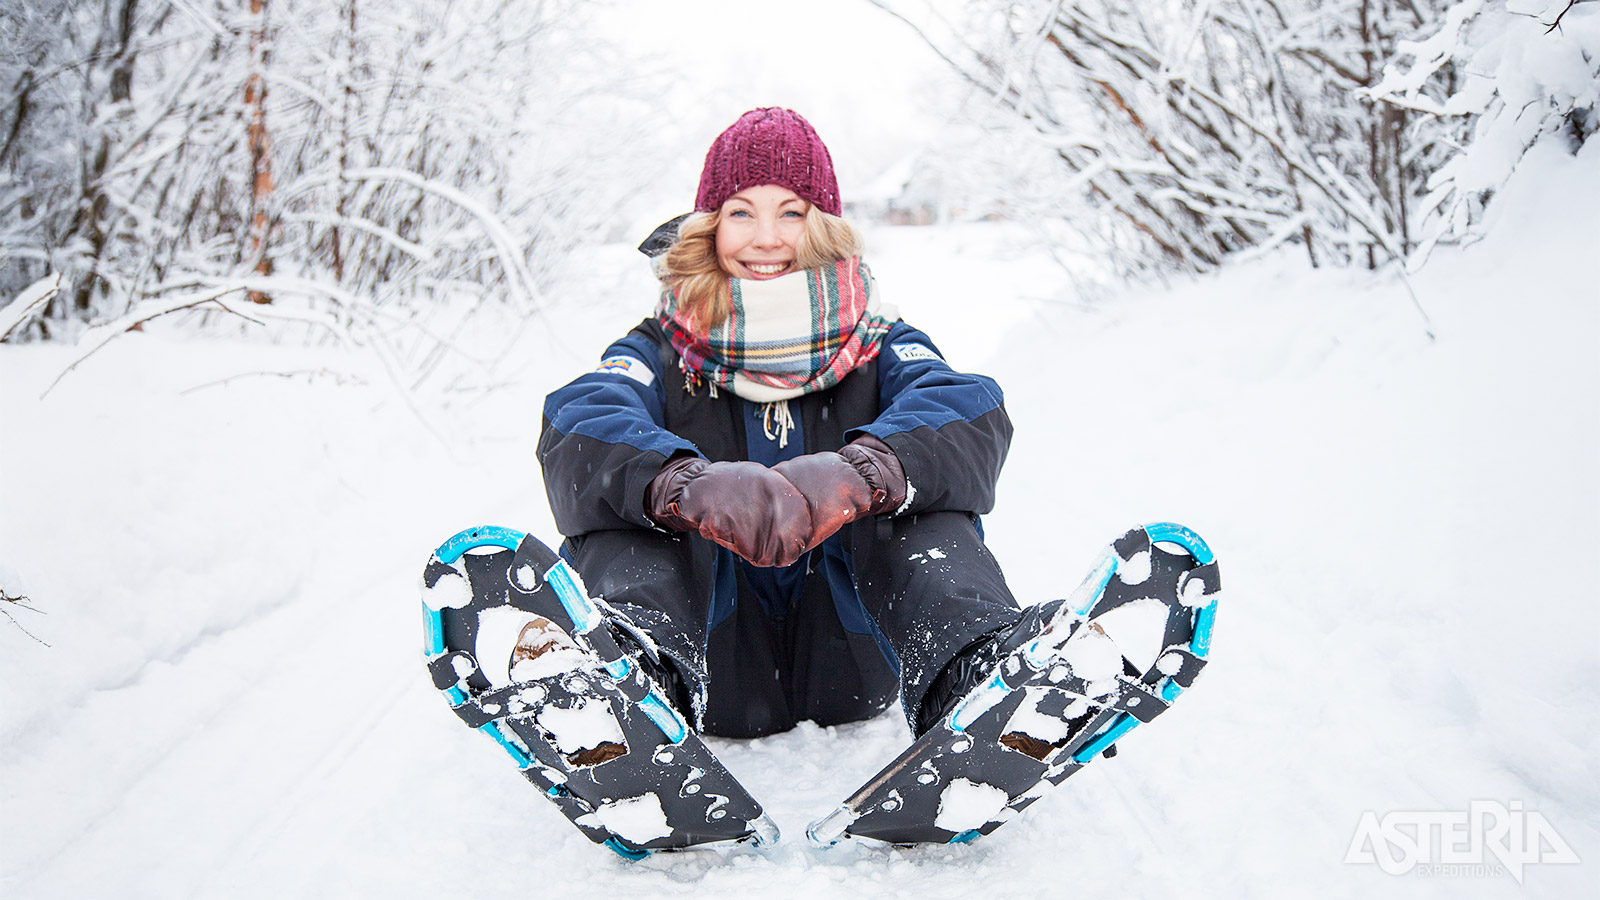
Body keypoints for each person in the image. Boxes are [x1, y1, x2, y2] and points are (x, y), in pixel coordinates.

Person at [536, 107, 1041, 743]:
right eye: (741, 212)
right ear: (710, 227)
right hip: (705, 659)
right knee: (630, 502)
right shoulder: (659, 346)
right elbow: (581, 417)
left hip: (851, 653)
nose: (766, 237)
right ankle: (623, 698)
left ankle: (980, 685)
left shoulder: (880, 340)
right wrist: (678, 484)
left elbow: (963, 407)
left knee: (918, 494)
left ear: (822, 225)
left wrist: (865, 472)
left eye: (791, 212)